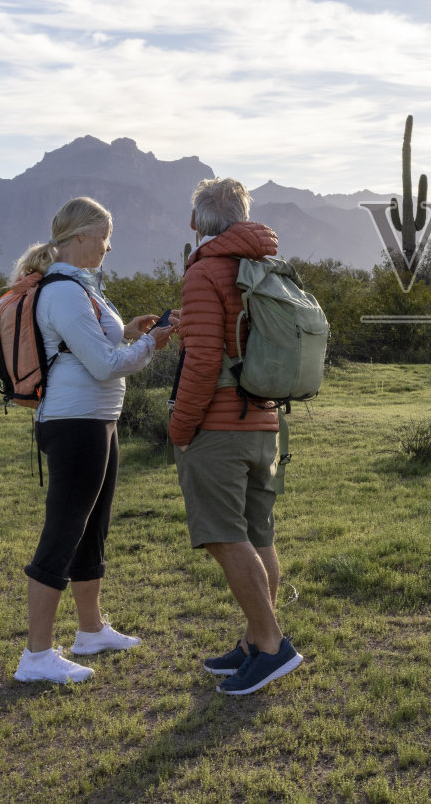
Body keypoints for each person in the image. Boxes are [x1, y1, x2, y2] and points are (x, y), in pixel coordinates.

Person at [13, 196, 177, 684]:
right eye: (105, 236)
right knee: (63, 532)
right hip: (75, 422)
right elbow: (104, 365)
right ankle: (36, 656)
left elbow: (88, 345)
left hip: (97, 419)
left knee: (91, 529)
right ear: (81, 236)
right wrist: (150, 343)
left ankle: (91, 631)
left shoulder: (81, 286)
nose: (109, 246)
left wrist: (128, 331)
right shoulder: (64, 291)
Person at [169, 177, 303, 695]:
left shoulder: (205, 271)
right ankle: (253, 640)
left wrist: (181, 426)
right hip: (264, 423)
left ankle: (271, 645)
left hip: (218, 428)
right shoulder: (264, 265)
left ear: (196, 222)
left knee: (225, 537)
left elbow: (204, 362)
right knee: (256, 535)